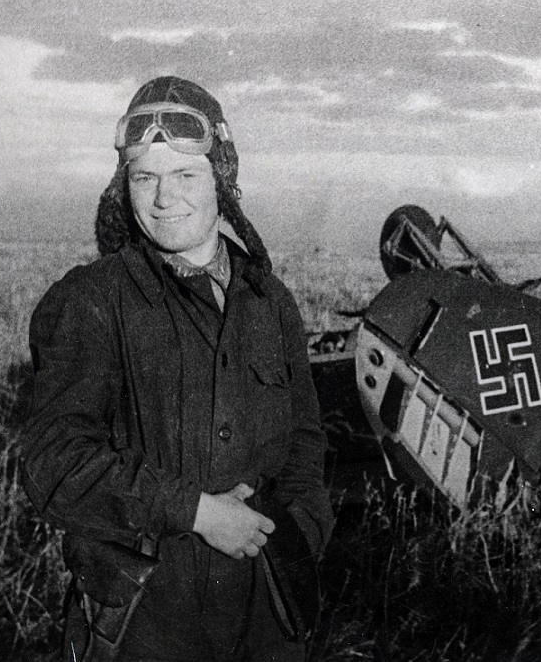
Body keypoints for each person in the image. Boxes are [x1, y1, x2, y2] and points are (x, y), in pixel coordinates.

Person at [20, 76, 334, 662]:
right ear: (125, 186)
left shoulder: (270, 302)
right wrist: (198, 513)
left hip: (265, 620)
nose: (165, 198)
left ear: (222, 180)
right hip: (144, 622)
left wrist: (296, 539)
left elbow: (305, 442)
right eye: (145, 178)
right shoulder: (91, 301)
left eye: (186, 175)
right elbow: (54, 461)